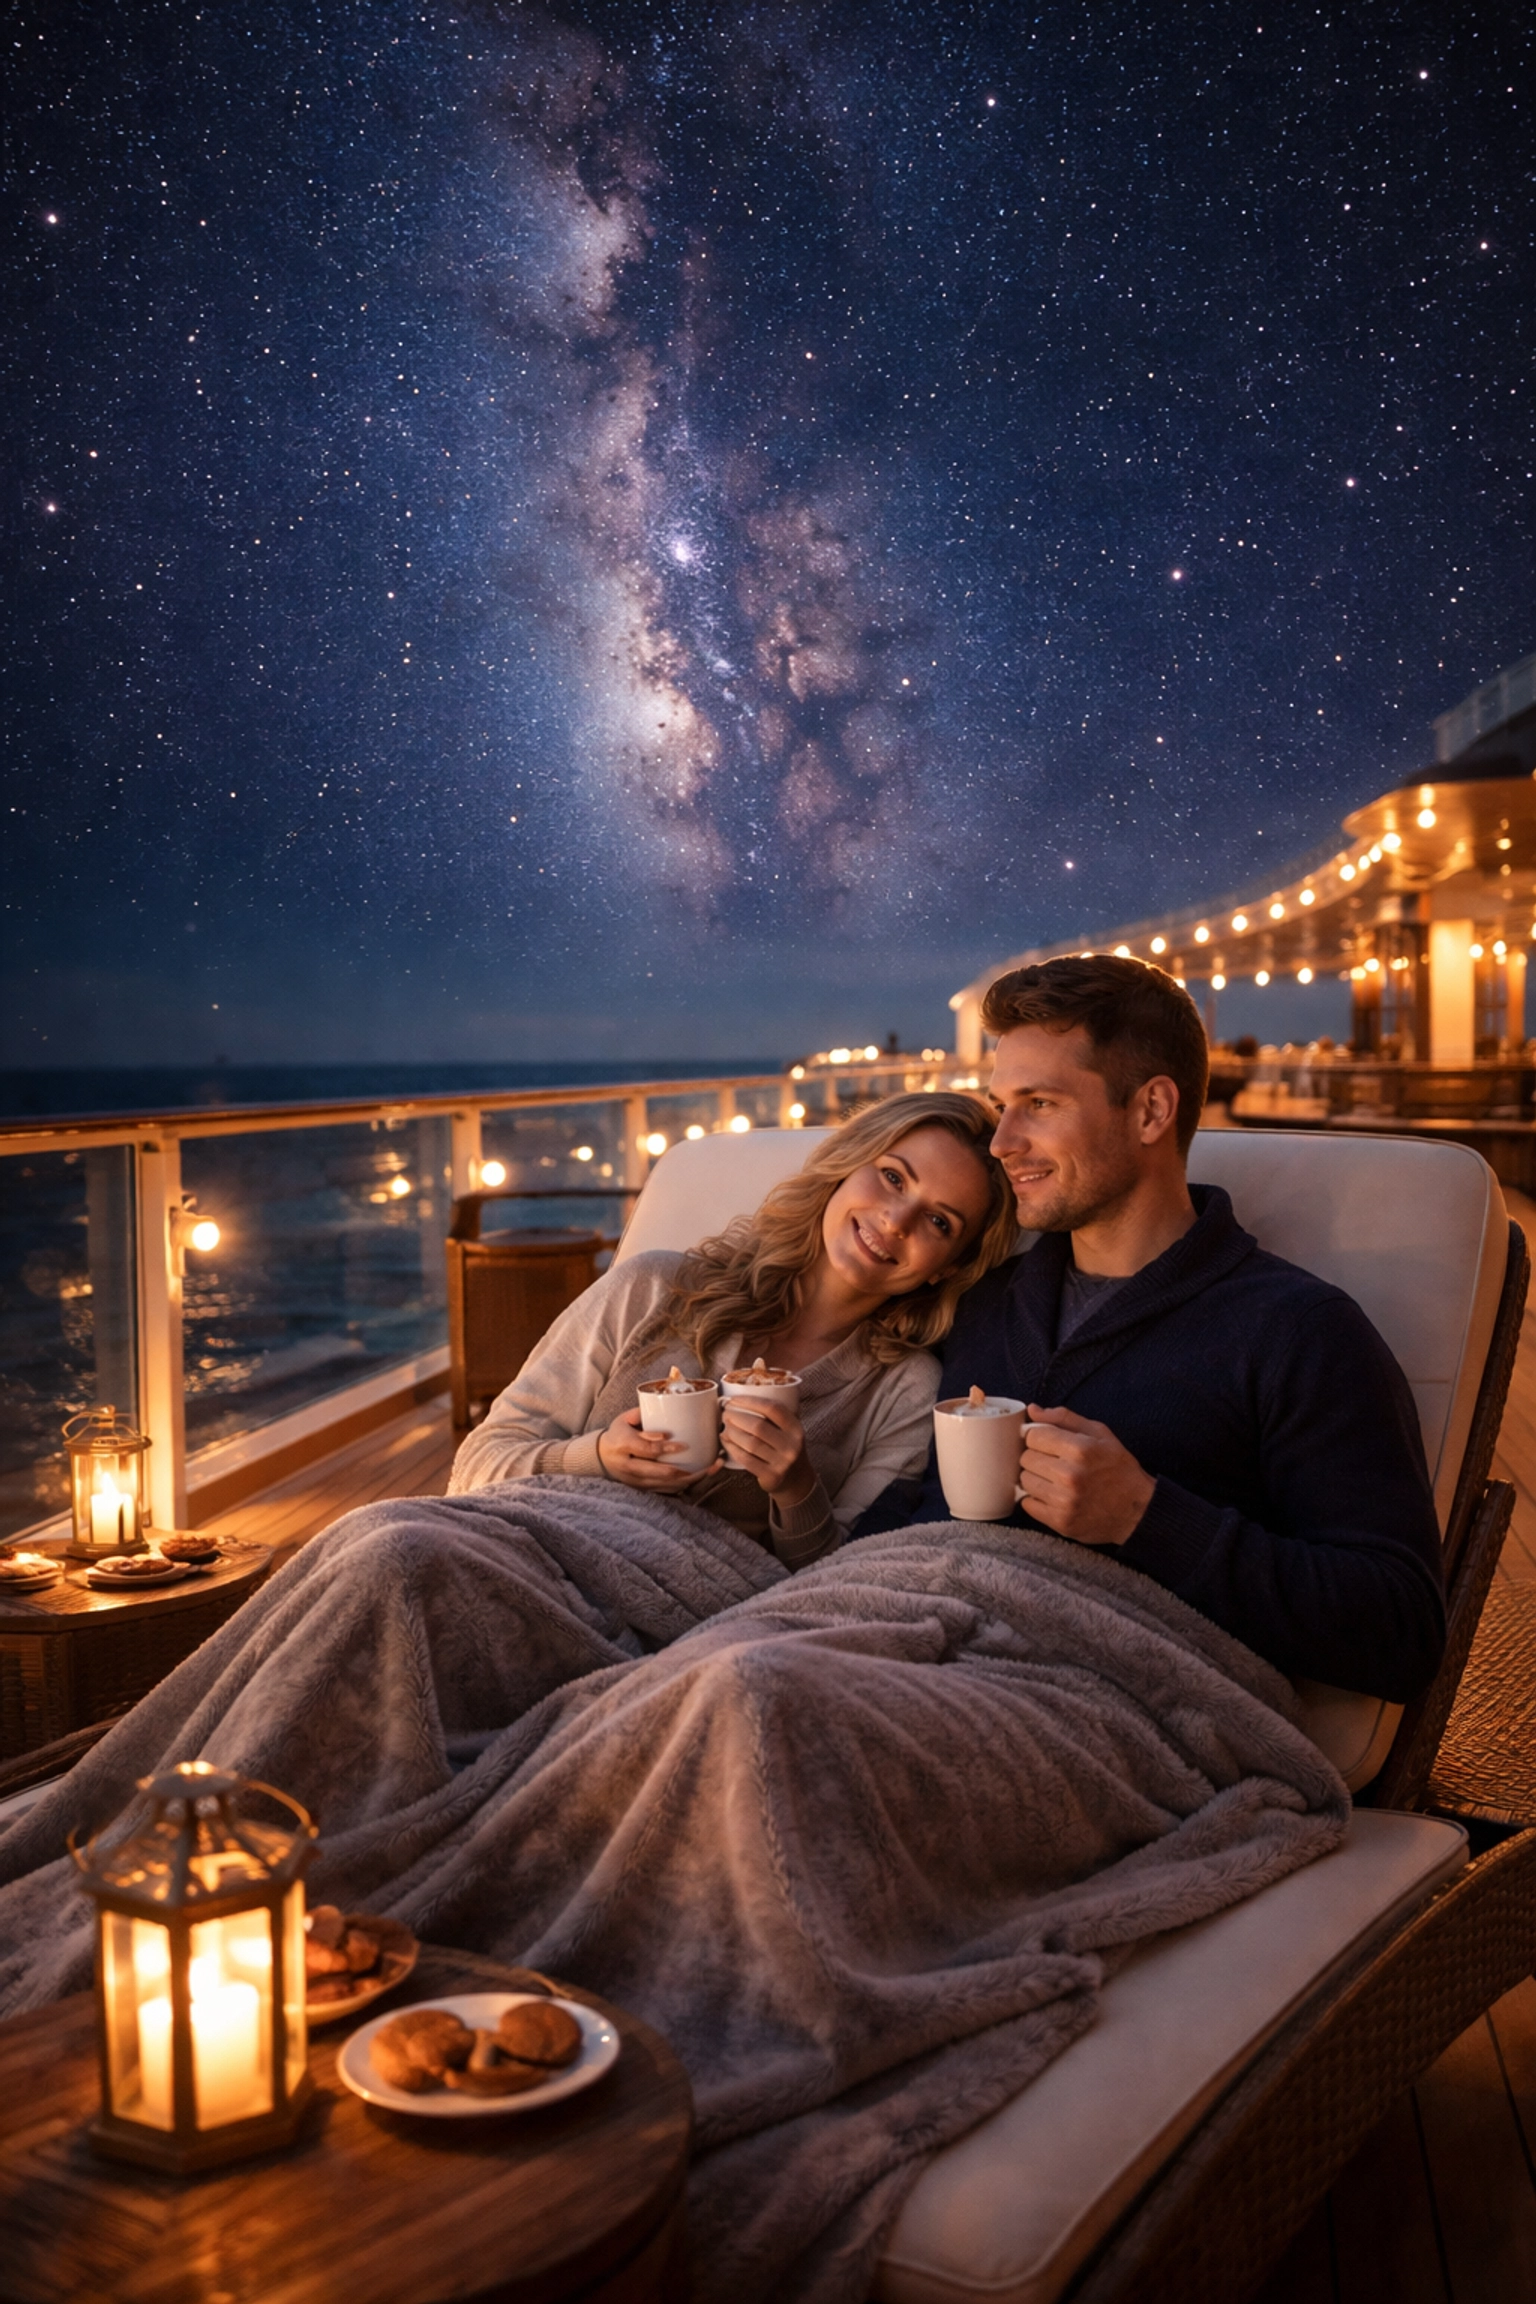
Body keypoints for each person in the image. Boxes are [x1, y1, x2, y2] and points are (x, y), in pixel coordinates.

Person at [860, 955, 1446, 1702]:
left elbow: (1404, 1631)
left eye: (1038, 1104)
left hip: (1112, 1706)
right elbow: (920, 1503)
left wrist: (1147, 1516)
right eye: (1000, 1103)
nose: (1002, 1141)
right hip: (914, 1649)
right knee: (728, 1670)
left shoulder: (1297, 1330)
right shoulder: (989, 1301)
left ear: (1150, 1111)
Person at [450, 1087, 1019, 1568]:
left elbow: (844, 1587)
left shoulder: (905, 1390)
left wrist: (796, 1490)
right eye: (893, 1177)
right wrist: (595, 1457)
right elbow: (478, 1465)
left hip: (689, 1616)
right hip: (535, 1551)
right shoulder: (652, 1288)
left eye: (939, 1221)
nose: (897, 1222)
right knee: (391, 1545)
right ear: (846, 1166)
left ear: (949, 1265)